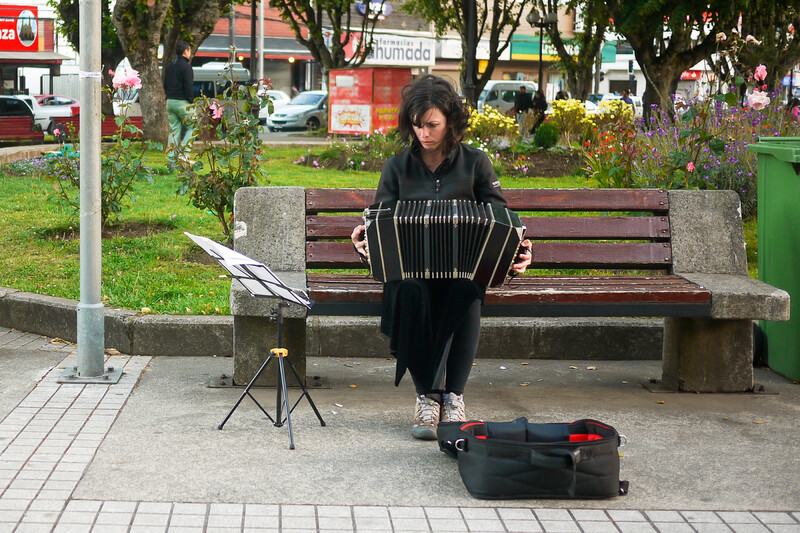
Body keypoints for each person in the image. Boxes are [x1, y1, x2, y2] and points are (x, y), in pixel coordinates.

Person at [350, 75, 532, 440]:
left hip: (460, 270)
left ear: (451, 121)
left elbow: (503, 221)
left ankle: (454, 397)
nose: (424, 133)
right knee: (411, 291)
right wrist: (363, 237)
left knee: (466, 288)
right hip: (410, 273)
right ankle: (427, 397)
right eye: (417, 125)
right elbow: (381, 222)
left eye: (432, 124)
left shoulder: (476, 164)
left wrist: (521, 250)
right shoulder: (396, 167)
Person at [164, 40, 195, 158]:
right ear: (186, 51)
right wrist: (191, 100)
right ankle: (184, 155)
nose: (190, 53)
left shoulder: (169, 66)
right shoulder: (186, 67)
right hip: (183, 102)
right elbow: (188, 85)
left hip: (170, 102)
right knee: (193, 126)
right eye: (190, 51)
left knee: (174, 129)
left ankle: (172, 160)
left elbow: (165, 85)